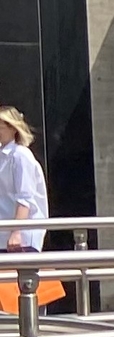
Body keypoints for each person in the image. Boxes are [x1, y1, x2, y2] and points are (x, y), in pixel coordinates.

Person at [0, 107, 58, 315]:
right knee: (10, 290)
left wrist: (17, 231)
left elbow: (25, 198)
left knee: (25, 287)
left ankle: (33, 330)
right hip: (5, 234)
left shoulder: (20, 156)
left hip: (20, 236)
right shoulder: (4, 156)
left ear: (12, 128)